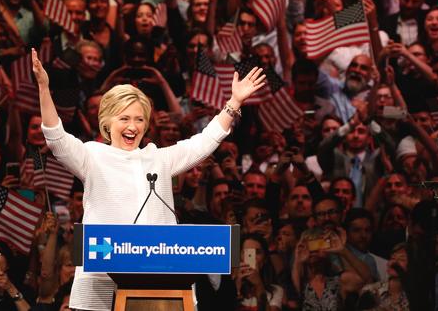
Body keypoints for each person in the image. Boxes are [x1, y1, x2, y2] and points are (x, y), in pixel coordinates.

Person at [31, 48, 266, 310]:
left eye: (139, 119)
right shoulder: (92, 155)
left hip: (159, 287)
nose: (133, 126)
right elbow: (56, 138)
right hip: (99, 285)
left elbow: (203, 142)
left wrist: (233, 103)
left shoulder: (159, 159)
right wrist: (44, 89)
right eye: (125, 119)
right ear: (107, 123)